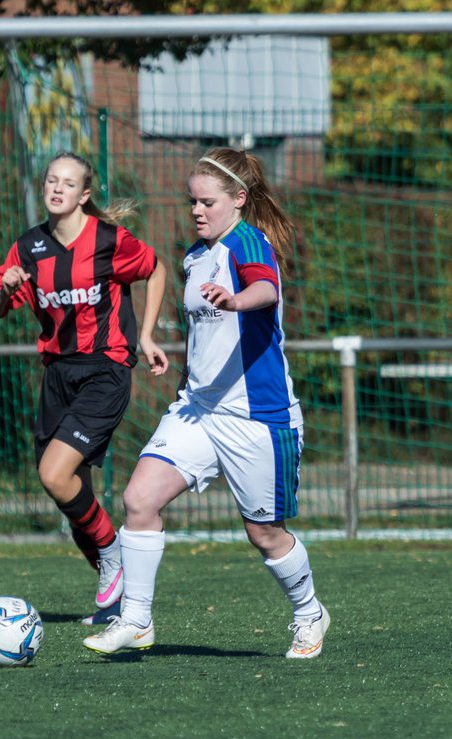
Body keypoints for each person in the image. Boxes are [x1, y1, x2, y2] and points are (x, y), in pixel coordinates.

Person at [83, 147, 330, 660]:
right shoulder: (196, 256)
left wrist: (239, 299)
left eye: (208, 202)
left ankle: (309, 614)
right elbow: (207, 337)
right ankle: (136, 619)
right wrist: (154, 343)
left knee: (264, 533)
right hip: (199, 409)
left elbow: (264, 290)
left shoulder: (247, 241)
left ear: (239, 199)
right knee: (139, 499)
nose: (197, 211)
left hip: (256, 417)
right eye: (192, 201)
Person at [0, 152, 167, 622]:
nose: (57, 189)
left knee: (53, 474)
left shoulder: (107, 240)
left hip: (104, 371)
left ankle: (113, 556)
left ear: (85, 194)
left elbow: (156, 268)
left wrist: (145, 336)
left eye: (68, 183)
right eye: (50, 181)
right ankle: (116, 599)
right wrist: (5, 289)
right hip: (58, 375)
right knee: (70, 492)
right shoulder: (29, 249)